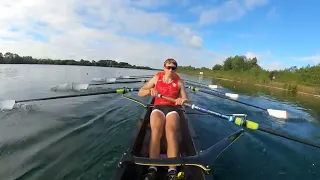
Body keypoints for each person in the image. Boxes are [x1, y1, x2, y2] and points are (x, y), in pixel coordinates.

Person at [138, 58, 189, 180]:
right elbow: (140, 92)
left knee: (171, 132)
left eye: (173, 68)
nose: (170, 70)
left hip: (172, 108)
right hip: (158, 107)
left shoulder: (179, 82)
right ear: (164, 68)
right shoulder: (157, 78)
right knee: (156, 131)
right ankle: (152, 168)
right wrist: (150, 90)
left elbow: (186, 100)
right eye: (168, 67)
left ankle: (172, 170)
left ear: (176, 69)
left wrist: (182, 100)